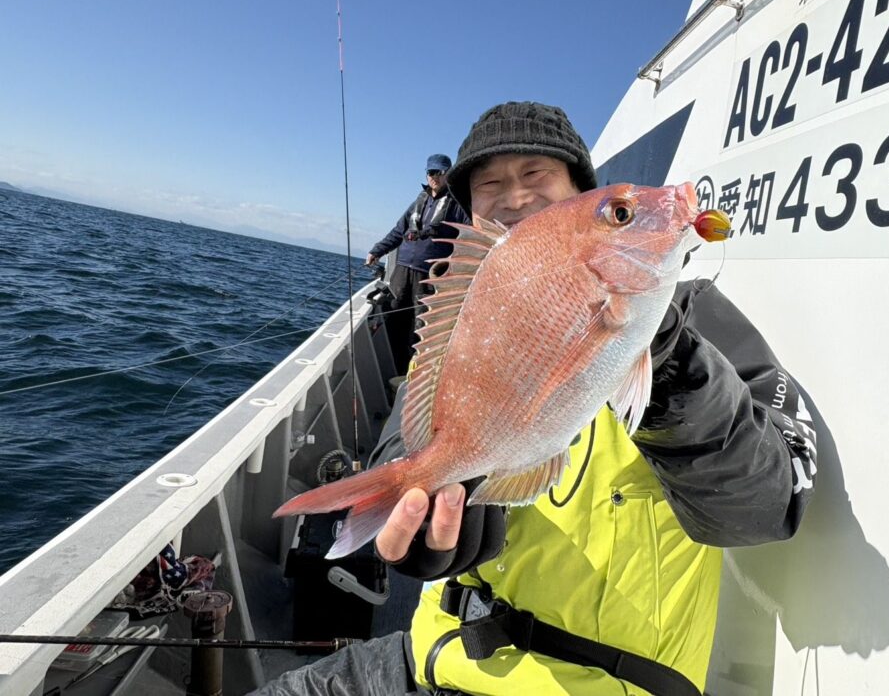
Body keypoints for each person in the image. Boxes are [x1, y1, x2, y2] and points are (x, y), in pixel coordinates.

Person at [253, 102, 820, 696]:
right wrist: (431, 539)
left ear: (581, 192)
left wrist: (667, 354)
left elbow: (763, 509)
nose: (514, 197)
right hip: (431, 659)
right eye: (489, 184)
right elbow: (411, 444)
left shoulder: (695, 321)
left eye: (535, 175)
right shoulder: (460, 325)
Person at [367, 154, 470, 375]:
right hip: (402, 272)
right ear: (427, 174)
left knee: (419, 329)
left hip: (429, 277)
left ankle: (410, 380)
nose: (435, 177)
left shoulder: (457, 205)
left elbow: (469, 238)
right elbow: (398, 231)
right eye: (432, 173)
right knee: (394, 320)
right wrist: (377, 250)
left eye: (441, 173)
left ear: (448, 175)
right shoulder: (419, 200)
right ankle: (391, 374)